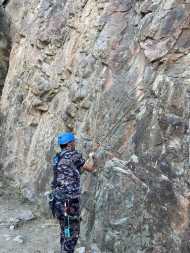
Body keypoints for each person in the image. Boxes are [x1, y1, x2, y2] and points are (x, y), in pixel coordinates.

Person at [51, 132, 95, 253]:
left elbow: (72, 173)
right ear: (69, 144)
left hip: (58, 201)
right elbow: (90, 168)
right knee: (71, 236)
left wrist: (82, 167)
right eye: (74, 142)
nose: (75, 144)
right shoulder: (73, 155)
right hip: (69, 203)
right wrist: (91, 157)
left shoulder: (58, 157)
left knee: (64, 232)